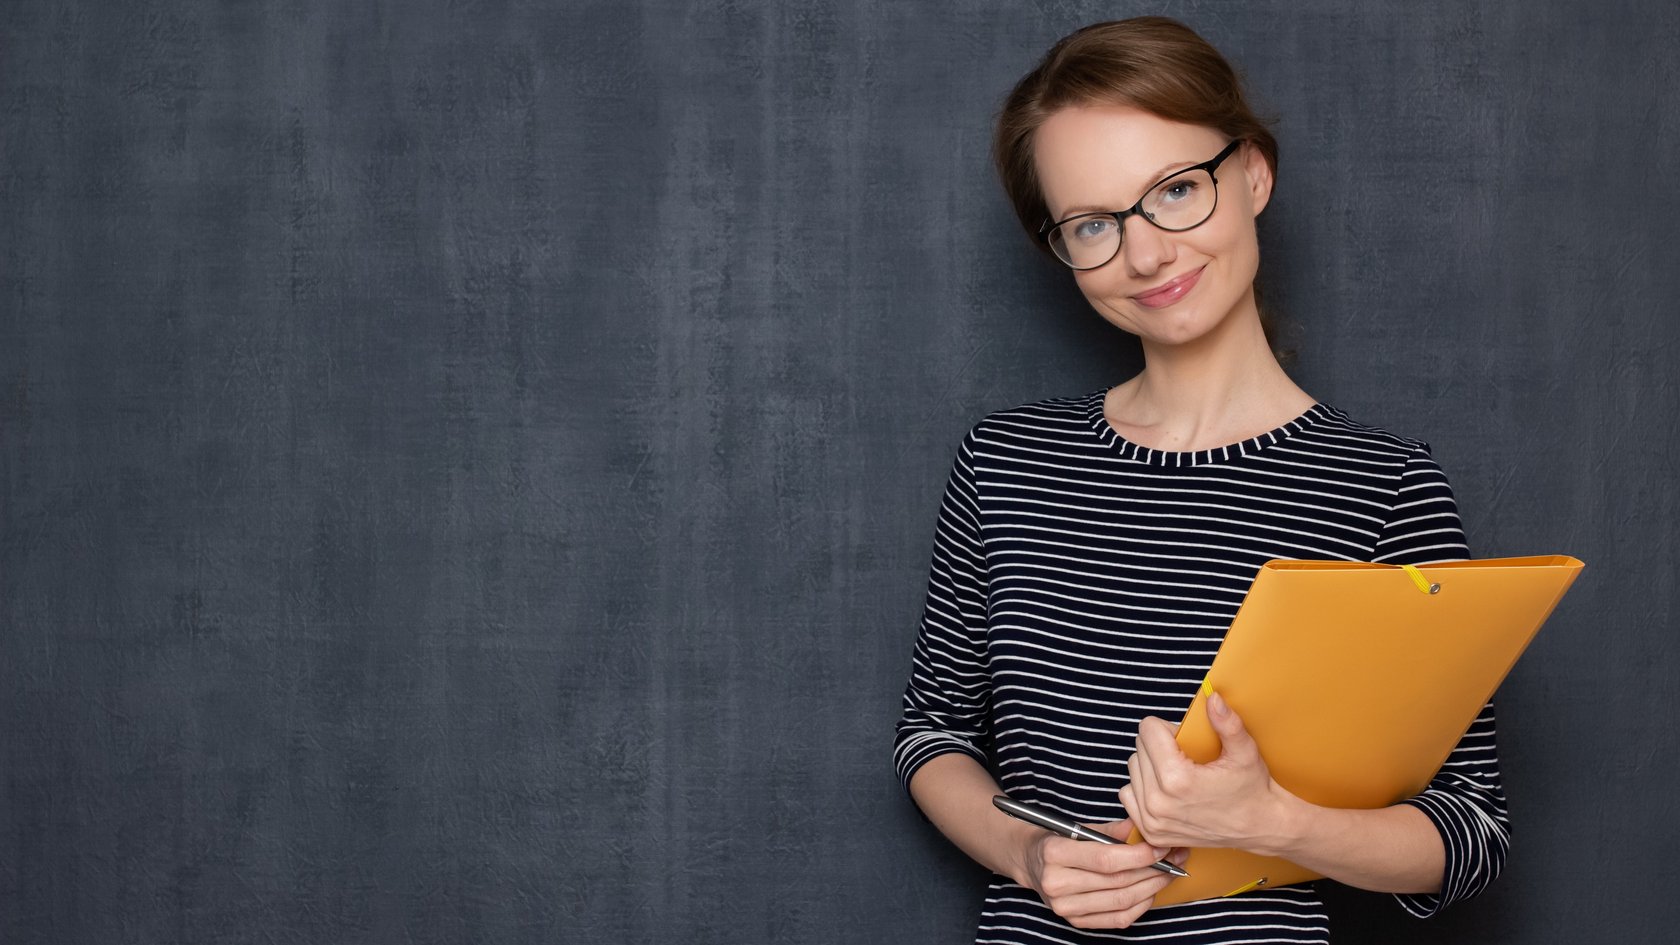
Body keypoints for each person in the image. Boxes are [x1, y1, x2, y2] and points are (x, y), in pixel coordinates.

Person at [893, 17, 1508, 945]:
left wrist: (1270, 822)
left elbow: (1471, 831)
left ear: (1252, 174)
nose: (1144, 255)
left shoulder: (1381, 486)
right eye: (1093, 223)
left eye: (1176, 190)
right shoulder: (1005, 464)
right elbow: (931, 731)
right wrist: (1026, 851)